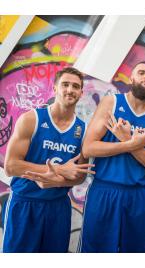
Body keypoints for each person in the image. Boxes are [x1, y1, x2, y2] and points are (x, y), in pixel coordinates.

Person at [3, 67, 94, 253]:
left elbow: (79, 175)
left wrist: (57, 181)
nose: (70, 90)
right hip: (25, 203)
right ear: (55, 88)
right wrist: (59, 170)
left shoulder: (83, 130)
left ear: (81, 93)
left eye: (75, 86)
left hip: (58, 207)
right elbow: (10, 166)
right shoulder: (31, 119)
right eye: (65, 85)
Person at [78, 61, 145, 253]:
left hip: (138, 195)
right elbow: (88, 148)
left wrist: (128, 141)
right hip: (104, 191)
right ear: (131, 78)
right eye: (141, 73)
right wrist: (130, 144)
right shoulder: (112, 103)